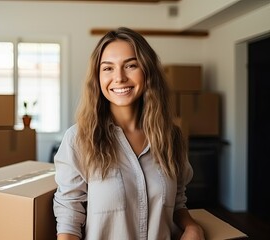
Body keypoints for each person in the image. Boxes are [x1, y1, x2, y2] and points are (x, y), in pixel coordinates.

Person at [53, 27, 205, 240]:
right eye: (108, 68)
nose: (119, 77)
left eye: (131, 65)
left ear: (147, 71)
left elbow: (177, 201)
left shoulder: (171, 137)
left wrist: (192, 226)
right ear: (97, 77)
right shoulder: (79, 139)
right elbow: (69, 213)